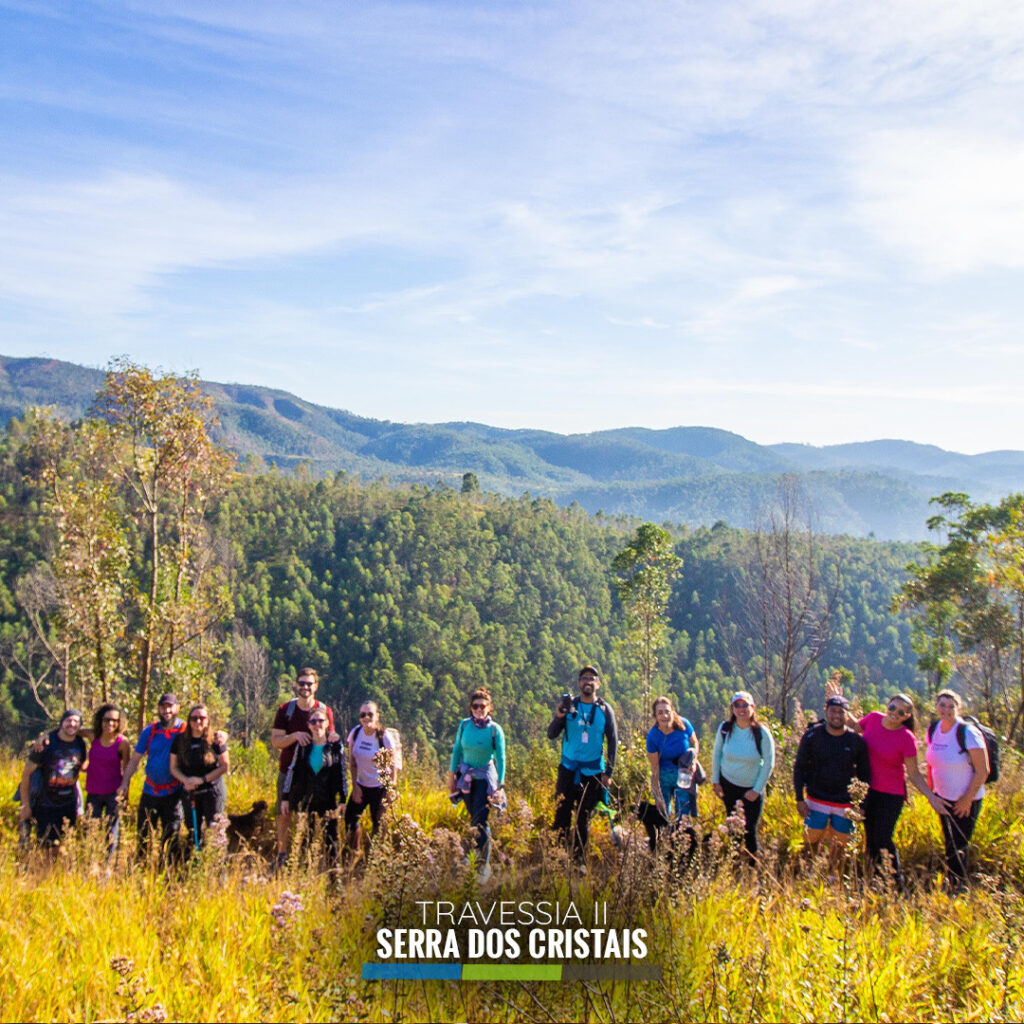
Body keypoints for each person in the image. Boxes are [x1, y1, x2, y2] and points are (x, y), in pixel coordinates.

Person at [847, 693, 946, 890]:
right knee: (870, 839)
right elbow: (855, 726)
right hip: (867, 790)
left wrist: (931, 797)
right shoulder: (873, 718)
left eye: (901, 712)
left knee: (882, 838)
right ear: (888, 704)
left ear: (907, 716)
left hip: (891, 795)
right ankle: (874, 884)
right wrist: (839, 702)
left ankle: (896, 882)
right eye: (893, 708)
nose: (895, 713)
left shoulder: (906, 738)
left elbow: (914, 774)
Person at [549, 666, 618, 861]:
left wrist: (609, 773)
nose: (588, 682)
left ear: (598, 684)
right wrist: (559, 717)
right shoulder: (570, 707)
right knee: (561, 814)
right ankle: (558, 856)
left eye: (592, 678)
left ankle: (579, 859)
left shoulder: (605, 710)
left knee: (583, 818)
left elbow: (612, 741)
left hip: (594, 773)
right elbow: (551, 734)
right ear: (579, 683)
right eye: (584, 678)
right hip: (568, 769)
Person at [270, 668, 336, 867]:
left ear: (316, 686)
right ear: (296, 685)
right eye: (302, 683)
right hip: (288, 771)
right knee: (284, 812)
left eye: (309, 684)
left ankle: (308, 857)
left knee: (310, 815)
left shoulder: (324, 711)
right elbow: (276, 741)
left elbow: (329, 740)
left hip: (315, 774)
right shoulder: (285, 711)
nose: (305, 687)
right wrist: (295, 736)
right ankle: (282, 855)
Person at [925, 689, 989, 893]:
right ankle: (952, 883)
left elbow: (983, 770)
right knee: (949, 841)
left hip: (966, 799)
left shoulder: (968, 733)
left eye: (951, 706)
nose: (946, 710)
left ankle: (958, 887)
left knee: (959, 844)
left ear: (958, 708)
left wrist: (966, 799)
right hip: (943, 798)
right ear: (936, 707)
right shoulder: (933, 729)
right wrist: (932, 793)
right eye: (942, 705)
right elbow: (932, 763)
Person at [793, 695, 870, 852]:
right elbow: (799, 768)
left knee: (841, 847)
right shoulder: (812, 736)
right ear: (825, 711)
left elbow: (865, 775)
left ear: (847, 714)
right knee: (810, 843)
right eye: (833, 711)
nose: (836, 715)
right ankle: (810, 873)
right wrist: (799, 799)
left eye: (841, 712)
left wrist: (862, 805)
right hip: (816, 801)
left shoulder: (856, 741)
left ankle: (835, 876)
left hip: (845, 803)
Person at [448, 687, 506, 882]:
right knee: (474, 819)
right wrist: (451, 777)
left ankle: (484, 863)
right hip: (466, 778)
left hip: (484, 779)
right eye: (475, 706)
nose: (479, 709)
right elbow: (457, 750)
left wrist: (500, 783)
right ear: (470, 708)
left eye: (483, 706)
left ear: (489, 708)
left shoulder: (494, 730)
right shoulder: (464, 726)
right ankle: (474, 856)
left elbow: (501, 757)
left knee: (481, 820)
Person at [711, 690, 775, 863]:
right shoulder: (725, 729)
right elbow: (717, 754)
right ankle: (735, 865)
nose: (741, 709)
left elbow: (769, 763)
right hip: (728, 785)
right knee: (733, 829)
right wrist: (715, 781)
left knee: (749, 830)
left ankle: (753, 870)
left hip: (751, 789)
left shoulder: (762, 733)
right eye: (737, 705)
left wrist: (757, 790)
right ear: (732, 708)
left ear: (753, 708)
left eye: (745, 705)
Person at [119, 693, 186, 858]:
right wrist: (125, 782)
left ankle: (169, 876)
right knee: (143, 836)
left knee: (171, 840)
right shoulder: (150, 731)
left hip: (174, 794)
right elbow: (135, 760)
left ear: (177, 708)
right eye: (163, 707)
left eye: (170, 707)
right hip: (150, 792)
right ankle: (141, 871)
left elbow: (206, 733)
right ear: (158, 709)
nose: (166, 711)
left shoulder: (185, 730)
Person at [280, 708, 347, 866]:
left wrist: (343, 799)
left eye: (321, 721)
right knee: (305, 841)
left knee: (331, 840)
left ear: (327, 724)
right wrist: (285, 798)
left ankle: (334, 879)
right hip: (306, 799)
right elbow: (292, 771)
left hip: (328, 799)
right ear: (308, 725)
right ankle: (304, 877)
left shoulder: (336, 747)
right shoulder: (303, 747)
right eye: (313, 721)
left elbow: (342, 774)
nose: (317, 724)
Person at [18, 709, 88, 846]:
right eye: (68, 720)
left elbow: (84, 766)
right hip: (45, 803)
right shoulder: (47, 744)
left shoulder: (80, 744)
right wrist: (25, 805)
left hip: (69, 803)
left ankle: (55, 868)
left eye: (76, 722)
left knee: (62, 845)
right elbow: (26, 774)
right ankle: (41, 867)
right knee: (45, 845)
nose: (72, 724)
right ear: (62, 722)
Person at [170, 705, 229, 853]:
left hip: (212, 792)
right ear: (189, 721)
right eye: (194, 718)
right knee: (192, 830)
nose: (198, 721)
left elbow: (224, 766)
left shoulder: (216, 741)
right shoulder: (180, 741)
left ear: (208, 720)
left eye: (202, 718)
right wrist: (185, 780)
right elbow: (173, 767)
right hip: (189, 792)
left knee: (214, 830)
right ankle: (194, 865)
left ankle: (217, 869)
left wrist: (203, 779)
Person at [643, 696, 699, 851]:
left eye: (667, 711)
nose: (664, 716)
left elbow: (695, 743)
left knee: (683, 816)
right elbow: (654, 768)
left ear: (673, 712)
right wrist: (658, 795)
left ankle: (685, 849)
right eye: (660, 713)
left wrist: (693, 761)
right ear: (655, 716)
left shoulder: (684, 725)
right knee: (663, 817)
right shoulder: (653, 736)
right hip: (663, 777)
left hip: (683, 776)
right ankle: (664, 849)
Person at [344, 702, 396, 846]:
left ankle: (375, 858)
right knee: (350, 820)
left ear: (377, 716)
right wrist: (355, 786)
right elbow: (353, 763)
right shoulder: (355, 733)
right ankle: (354, 853)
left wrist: (389, 792)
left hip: (380, 787)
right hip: (361, 785)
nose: (366, 718)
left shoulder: (384, 737)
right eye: (362, 715)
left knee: (379, 825)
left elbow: (392, 767)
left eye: (370, 714)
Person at [84, 704, 131, 855]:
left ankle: (108, 867)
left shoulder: (122, 743)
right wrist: (45, 736)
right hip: (93, 792)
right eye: (106, 720)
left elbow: (127, 770)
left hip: (113, 793)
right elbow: (67, 730)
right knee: (89, 830)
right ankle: (90, 863)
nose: (110, 723)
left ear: (119, 723)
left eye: (114, 720)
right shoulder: (93, 736)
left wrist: (125, 797)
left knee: (111, 832)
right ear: (100, 720)